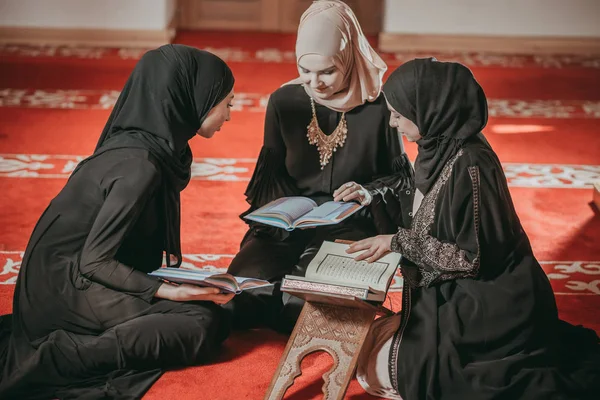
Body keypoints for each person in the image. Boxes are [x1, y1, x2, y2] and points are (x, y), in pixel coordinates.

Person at [345, 58, 600, 400]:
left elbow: (470, 258)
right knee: (369, 349)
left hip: (491, 301)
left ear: (430, 110)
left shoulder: (471, 166)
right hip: (463, 290)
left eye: (399, 114)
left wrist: (396, 242)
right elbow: (425, 203)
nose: (393, 123)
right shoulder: (440, 145)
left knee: (391, 369)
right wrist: (371, 194)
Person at [0, 44, 236, 399]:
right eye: (227, 103)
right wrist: (170, 290)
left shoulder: (150, 147)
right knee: (201, 323)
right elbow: (94, 260)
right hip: (63, 292)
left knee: (205, 313)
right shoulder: (140, 165)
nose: (230, 115)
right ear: (193, 97)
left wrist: (178, 285)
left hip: (60, 281)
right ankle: (61, 359)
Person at [225, 0, 413, 333]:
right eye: (305, 70)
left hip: (353, 222)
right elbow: (272, 174)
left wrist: (367, 192)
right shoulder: (284, 101)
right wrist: (280, 217)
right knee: (239, 291)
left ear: (348, 58)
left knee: (310, 305)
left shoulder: (379, 107)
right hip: (290, 223)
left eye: (327, 71)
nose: (315, 82)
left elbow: (402, 180)